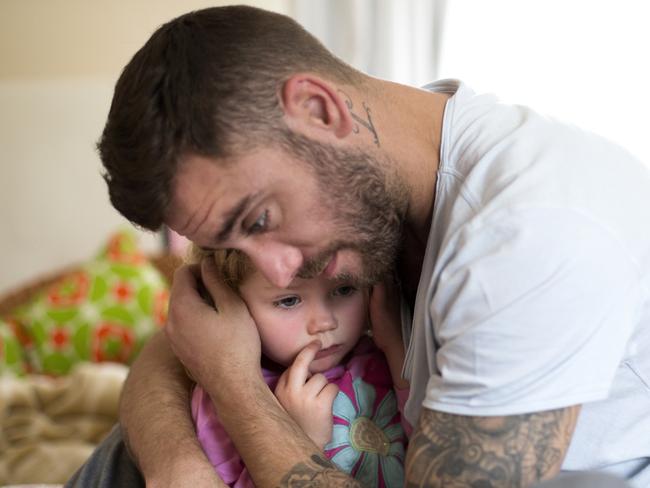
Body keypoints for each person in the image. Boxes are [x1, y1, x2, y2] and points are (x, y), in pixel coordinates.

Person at [66, 5, 647, 487]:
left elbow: (216, 364)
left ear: (319, 110)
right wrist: (177, 466)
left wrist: (239, 390)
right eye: (236, 246)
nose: (275, 268)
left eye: (261, 218)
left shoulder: (532, 231)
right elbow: (189, 337)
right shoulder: (376, 175)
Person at [189, 247, 410, 487]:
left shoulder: (379, 355)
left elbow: (426, 439)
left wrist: (395, 347)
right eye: (289, 300)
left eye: (344, 289)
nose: (326, 322)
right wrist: (302, 441)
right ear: (231, 305)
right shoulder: (225, 402)